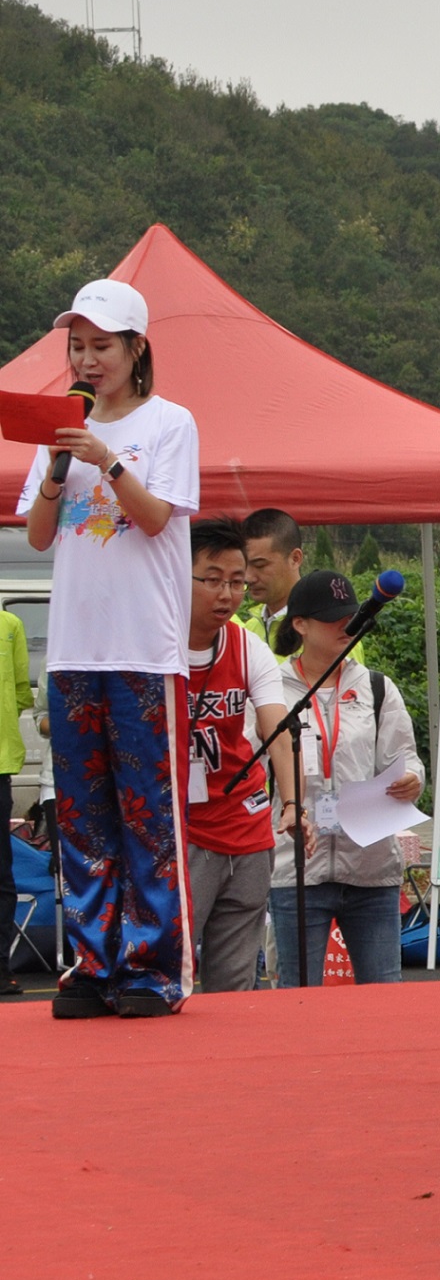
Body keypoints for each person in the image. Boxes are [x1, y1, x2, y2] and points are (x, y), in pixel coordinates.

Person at [17, 278, 201, 1018]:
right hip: (73, 651)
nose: (87, 360)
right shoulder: (59, 429)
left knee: (147, 815)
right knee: (83, 816)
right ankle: (93, 963)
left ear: (136, 348)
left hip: (143, 650)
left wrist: (107, 458)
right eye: (78, 346)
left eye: (102, 346)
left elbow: (156, 519)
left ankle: (153, 968)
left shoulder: (170, 422)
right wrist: (59, 468)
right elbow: (38, 535)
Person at [268, 571, 424, 987]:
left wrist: (413, 778)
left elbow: (404, 757)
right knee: (298, 995)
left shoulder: (376, 687)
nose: (346, 625)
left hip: (371, 868)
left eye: (351, 616)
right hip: (298, 869)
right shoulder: (272, 691)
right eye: (331, 618)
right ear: (300, 624)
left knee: (383, 993)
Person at [183, 519, 301, 992]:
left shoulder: (247, 645)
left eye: (237, 582)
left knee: (234, 980)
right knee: (168, 966)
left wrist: (291, 802)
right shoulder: (152, 646)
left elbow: (277, 728)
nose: (227, 595)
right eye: (212, 580)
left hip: (245, 825)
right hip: (179, 830)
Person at [0, 601, 32, 994]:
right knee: (1, 875)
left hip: (2, 762)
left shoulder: (10, 624)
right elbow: (22, 693)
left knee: (2, 875)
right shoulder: (9, 624)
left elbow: (22, 692)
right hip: (1, 761)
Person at [235, 508, 304, 649]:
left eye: (260, 565)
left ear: (295, 559)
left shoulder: (326, 632)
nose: (248, 577)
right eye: (244, 565)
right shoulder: (249, 631)